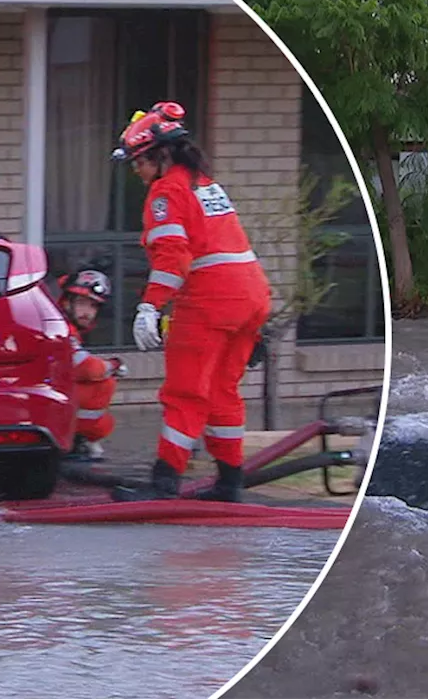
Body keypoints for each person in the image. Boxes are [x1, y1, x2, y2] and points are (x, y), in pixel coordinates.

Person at [108, 101, 272, 503]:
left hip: (209, 302)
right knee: (223, 393)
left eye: (140, 162)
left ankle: (165, 482)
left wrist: (150, 306)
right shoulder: (204, 183)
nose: (137, 171)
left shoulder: (167, 192)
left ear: (161, 155)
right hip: (251, 297)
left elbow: (173, 256)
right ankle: (230, 482)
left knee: (186, 393)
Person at [55, 268, 128, 462]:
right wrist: (113, 365)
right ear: (67, 301)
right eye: (81, 303)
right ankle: (76, 439)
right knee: (103, 384)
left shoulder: (61, 325)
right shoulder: (61, 329)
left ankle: (76, 438)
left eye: (93, 306)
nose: (87, 312)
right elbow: (86, 368)